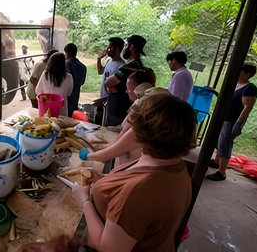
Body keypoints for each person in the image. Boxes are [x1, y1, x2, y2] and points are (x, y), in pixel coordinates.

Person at [72, 92, 196, 251]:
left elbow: (109, 248)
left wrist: (84, 200)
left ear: (142, 131)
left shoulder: (138, 193)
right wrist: (102, 178)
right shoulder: (172, 163)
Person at [80, 68, 157, 166]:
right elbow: (122, 127)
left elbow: (112, 149)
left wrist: (88, 155)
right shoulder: (143, 110)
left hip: (128, 165)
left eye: (129, 89)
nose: (126, 91)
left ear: (139, 91)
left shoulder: (139, 119)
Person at [206, 63, 257, 181]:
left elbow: (247, 107)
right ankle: (217, 161)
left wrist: (238, 124)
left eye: (240, 71)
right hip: (224, 117)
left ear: (247, 74)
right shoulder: (236, 84)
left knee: (225, 144)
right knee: (219, 141)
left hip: (232, 120)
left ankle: (222, 172)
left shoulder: (249, 88)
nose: (237, 73)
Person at [103, 35, 147, 127]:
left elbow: (108, 82)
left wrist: (113, 89)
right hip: (128, 109)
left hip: (117, 110)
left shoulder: (128, 67)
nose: (124, 48)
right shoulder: (140, 67)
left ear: (131, 47)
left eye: (126, 45)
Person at [93, 37, 125, 124]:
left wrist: (103, 100)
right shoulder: (109, 61)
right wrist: (99, 59)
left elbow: (116, 90)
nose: (107, 49)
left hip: (110, 102)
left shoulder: (121, 67)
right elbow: (100, 71)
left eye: (110, 46)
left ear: (117, 49)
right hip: (103, 101)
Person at [36, 52, 74, 116]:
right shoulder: (69, 77)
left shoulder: (45, 74)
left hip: (47, 110)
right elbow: (69, 93)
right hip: (61, 110)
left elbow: (38, 91)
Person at [64, 43, 87, 117]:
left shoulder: (65, 65)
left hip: (66, 96)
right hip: (76, 95)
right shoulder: (83, 66)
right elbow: (82, 82)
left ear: (67, 53)